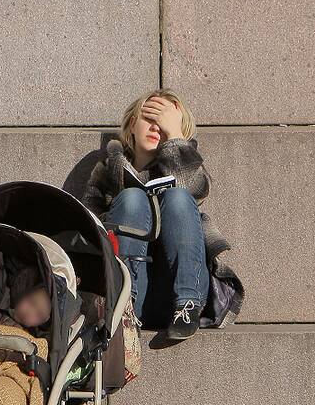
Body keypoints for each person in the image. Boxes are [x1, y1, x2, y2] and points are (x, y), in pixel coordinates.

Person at [82, 90, 243, 340]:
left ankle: (188, 305)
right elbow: (88, 226)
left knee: (178, 197)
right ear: (132, 124)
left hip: (181, 290)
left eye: (165, 121)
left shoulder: (188, 164)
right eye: (150, 117)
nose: (157, 127)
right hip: (131, 291)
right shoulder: (107, 172)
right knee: (132, 198)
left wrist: (176, 138)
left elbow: (196, 188)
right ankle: (125, 309)